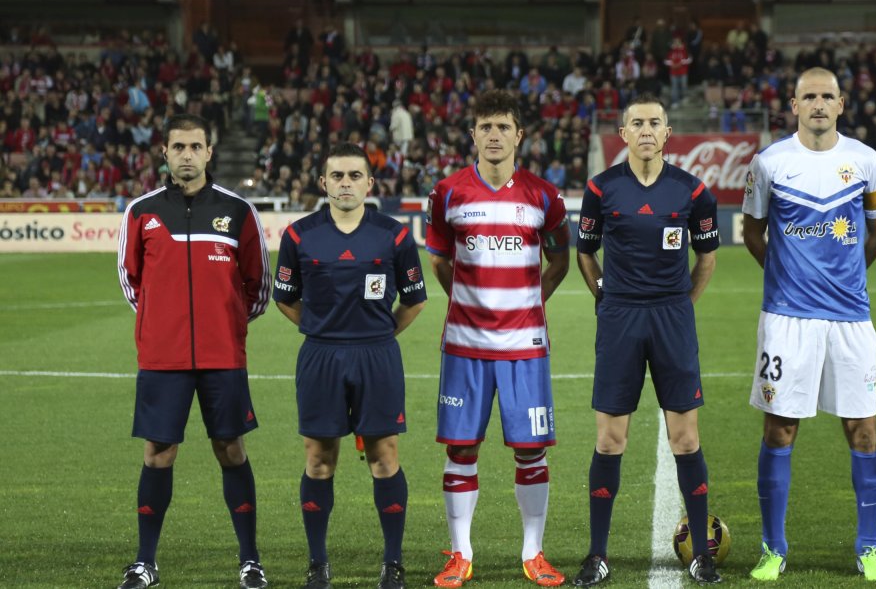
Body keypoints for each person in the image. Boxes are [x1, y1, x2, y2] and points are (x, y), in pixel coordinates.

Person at [741, 68, 876, 582]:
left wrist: (844, 280)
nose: (819, 104)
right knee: (780, 427)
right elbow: (752, 232)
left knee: (864, 430)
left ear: (842, 103)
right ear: (794, 105)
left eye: (828, 96)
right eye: (809, 96)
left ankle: (869, 547)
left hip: (850, 318)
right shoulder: (770, 163)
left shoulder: (866, 162)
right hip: (786, 320)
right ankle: (773, 548)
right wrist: (789, 280)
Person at [572, 94, 722, 586]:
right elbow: (586, 253)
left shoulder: (693, 191)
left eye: (654, 123)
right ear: (622, 133)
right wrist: (604, 298)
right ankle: (597, 555)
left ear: (667, 132)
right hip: (620, 319)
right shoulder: (601, 189)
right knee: (610, 439)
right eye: (636, 123)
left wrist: (681, 305)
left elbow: (706, 259)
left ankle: (702, 554)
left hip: (671, 318)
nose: (645, 130)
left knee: (686, 438)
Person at [116, 113, 270, 589]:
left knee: (231, 449)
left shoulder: (239, 211)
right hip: (163, 360)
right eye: (178, 147)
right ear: (164, 152)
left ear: (209, 152)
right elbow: (131, 280)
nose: (187, 154)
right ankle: (145, 562)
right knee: (159, 453)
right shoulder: (141, 211)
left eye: (195, 146)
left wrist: (220, 325)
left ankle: (250, 561)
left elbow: (257, 285)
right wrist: (164, 324)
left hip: (223, 357)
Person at [425, 90, 571, 588]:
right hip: (465, 347)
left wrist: (529, 303)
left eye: (503, 127)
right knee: (461, 449)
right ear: (472, 134)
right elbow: (440, 259)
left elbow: (559, 261)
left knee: (531, 451)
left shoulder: (544, 197)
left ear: (519, 134)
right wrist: (469, 302)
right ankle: (460, 554)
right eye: (485, 126)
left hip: (524, 348)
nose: (493, 135)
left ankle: (533, 553)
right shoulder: (448, 193)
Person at [273, 142, 428, 589]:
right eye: (337, 176)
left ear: (370, 183)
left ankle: (392, 562)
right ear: (323, 183)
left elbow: (415, 301)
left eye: (354, 176)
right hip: (320, 355)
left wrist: (377, 334)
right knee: (319, 459)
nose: (345, 183)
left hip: (377, 355)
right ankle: (318, 563)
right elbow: (285, 298)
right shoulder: (300, 234)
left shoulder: (393, 235)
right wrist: (325, 329)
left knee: (384, 457)